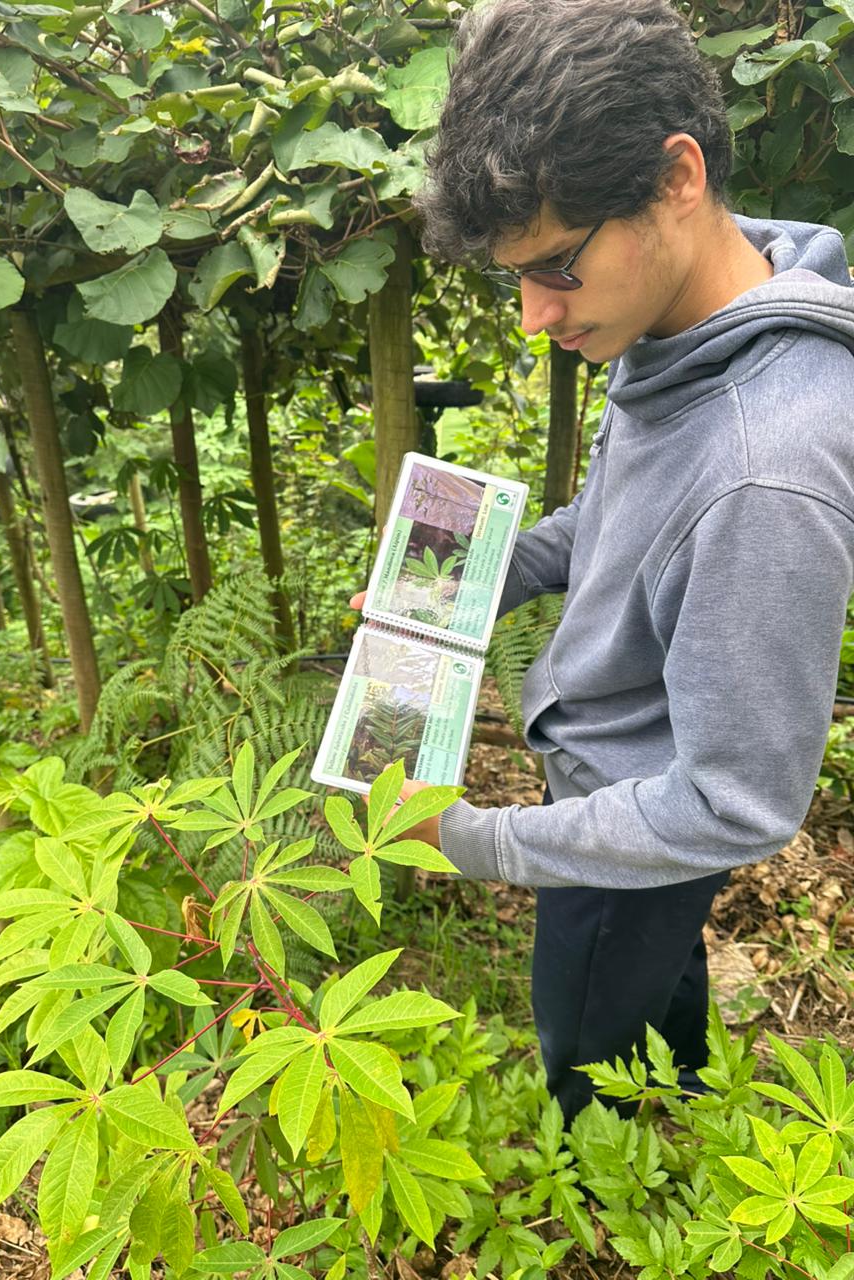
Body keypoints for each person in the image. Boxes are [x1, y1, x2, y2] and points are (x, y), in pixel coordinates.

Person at [354, 0, 854, 1121]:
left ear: (676, 178)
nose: (535, 315)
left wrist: (473, 837)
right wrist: (468, 579)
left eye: (557, 267)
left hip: (640, 820)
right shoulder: (684, 320)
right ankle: (683, 1091)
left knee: (585, 1045)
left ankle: (611, 1170)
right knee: (658, 988)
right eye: (513, 277)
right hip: (612, 784)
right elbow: (627, 522)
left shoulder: (766, 467)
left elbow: (735, 802)